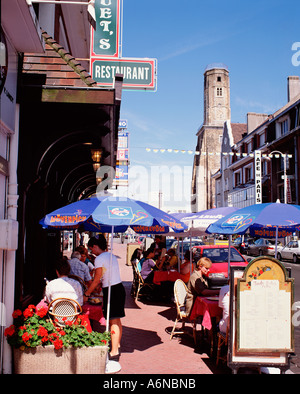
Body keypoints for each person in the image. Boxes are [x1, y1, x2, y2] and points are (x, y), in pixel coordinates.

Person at [84, 235, 125, 361]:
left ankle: (114, 351)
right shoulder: (111, 256)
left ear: (95, 246)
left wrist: (87, 294)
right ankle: (116, 344)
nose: (91, 252)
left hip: (112, 290)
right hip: (118, 288)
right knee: (117, 320)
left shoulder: (99, 259)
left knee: (112, 321)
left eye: (91, 249)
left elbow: (96, 280)